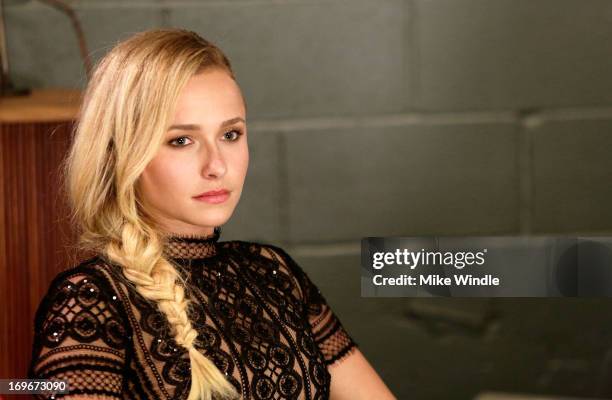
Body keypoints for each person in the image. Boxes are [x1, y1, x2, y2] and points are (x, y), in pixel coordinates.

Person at [28, 29, 396, 400]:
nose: (217, 165)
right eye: (181, 141)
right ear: (122, 155)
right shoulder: (90, 300)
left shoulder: (273, 273)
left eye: (231, 134)